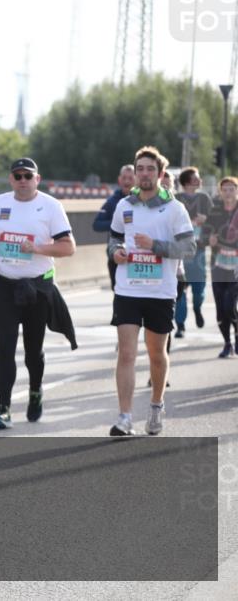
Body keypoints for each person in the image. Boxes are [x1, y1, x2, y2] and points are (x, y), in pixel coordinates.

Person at [0, 158, 77, 429]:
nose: (22, 180)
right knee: (4, 347)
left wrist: (38, 249)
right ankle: (3, 409)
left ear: (37, 179)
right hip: (4, 284)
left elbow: (68, 247)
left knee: (33, 350)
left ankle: (35, 390)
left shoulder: (51, 206)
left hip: (37, 287)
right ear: (10, 179)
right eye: (17, 176)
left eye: (27, 176)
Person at [107, 147, 195, 436]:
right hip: (128, 289)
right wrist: (116, 252)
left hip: (160, 292)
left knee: (156, 354)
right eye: (140, 169)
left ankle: (156, 405)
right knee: (127, 355)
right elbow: (114, 239)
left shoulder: (174, 209)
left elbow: (189, 249)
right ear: (135, 173)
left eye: (149, 169)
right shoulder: (124, 206)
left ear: (159, 174)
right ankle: (125, 418)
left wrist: (155, 245)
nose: (144, 174)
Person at [174, 167, 213, 337]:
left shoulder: (204, 198)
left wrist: (207, 220)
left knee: (199, 290)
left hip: (199, 251)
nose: (200, 180)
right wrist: (189, 222)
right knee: (180, 291)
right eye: (196, 178)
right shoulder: (176, 199)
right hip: (180, 252)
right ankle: (180, 325)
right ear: (188, 181)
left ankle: (197, 308)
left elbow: (217, 220)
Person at [207, 177, 238, 357]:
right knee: (220, 310)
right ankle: (227, 343)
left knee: (229, 305)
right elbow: (203, 236)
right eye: (224, 189)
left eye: (231, 189)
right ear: (220, 192)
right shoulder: (215, 212)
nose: (228, 193)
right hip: (218, 265)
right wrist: (209, 240)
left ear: (236, 190)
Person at [93, 164, 136, 290]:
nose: (127, 181)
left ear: (137, 179)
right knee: (119, 295)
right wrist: (117, 222)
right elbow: (96, 225)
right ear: (119, 180)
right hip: (116, 256)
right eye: (124, 178)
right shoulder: (112, 202)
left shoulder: (145, 201)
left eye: (130, 178)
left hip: (138, 258)